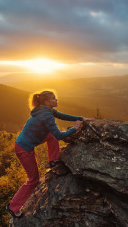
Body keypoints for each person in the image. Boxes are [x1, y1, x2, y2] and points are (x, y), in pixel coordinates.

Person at [6, 90, 92, 218]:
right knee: (33, 180)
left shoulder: (44, 110)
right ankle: (13, 207)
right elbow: (59, 135)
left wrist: (81, 118)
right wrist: (75, 128)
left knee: (50, 135)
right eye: (53, 98)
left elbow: (62, 115)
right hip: (24, 149)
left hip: (24, 144)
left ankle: (53, 159)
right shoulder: (46, 115)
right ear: (46, 102)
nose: (56, 100)